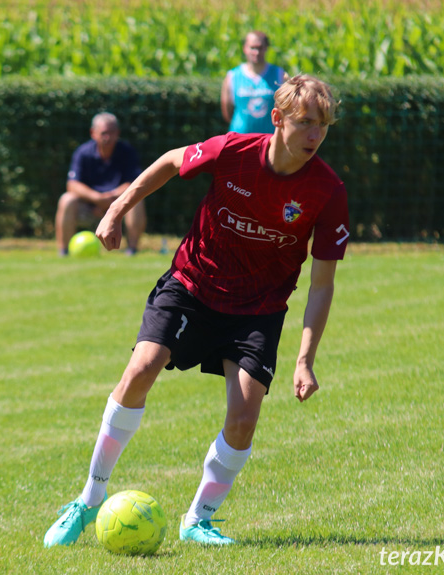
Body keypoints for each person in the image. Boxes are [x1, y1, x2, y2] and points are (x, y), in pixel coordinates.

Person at [44, 75, 350, 547]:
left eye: (323, 126)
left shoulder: (327, 191)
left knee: (244, 417)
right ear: (277, 119)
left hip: (258, 310)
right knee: (142, 367)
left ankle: (199, 519)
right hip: (193, 284)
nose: (315, 135)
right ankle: (87, 500)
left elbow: (322, 283)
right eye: (305, 122)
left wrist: (305, 359)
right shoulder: (233, 151)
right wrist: (115, 212)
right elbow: (170, 161)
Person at [55, 113, 146, 256]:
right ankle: (63, 251)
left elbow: (136, 182)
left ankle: (132, 250)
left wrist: (111, 199)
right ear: (93, 133)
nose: (108, 138)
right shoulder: (82, 152)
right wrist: (96, 198)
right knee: (66, 199)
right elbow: (72, 184)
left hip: (118, 206)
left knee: (137, 202)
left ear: (118, 133)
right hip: (88, 207)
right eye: (104, 133)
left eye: (112, 133)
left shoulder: (128, 152)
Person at [221, 31, 288, 134]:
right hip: (239, 139)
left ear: (266, 48)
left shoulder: (279, 75)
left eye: (260, 48)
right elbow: (227, 112)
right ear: (245, 48)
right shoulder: (233, 76)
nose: (256, 52)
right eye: (253, 48)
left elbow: (287, 109)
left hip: (269, 140)